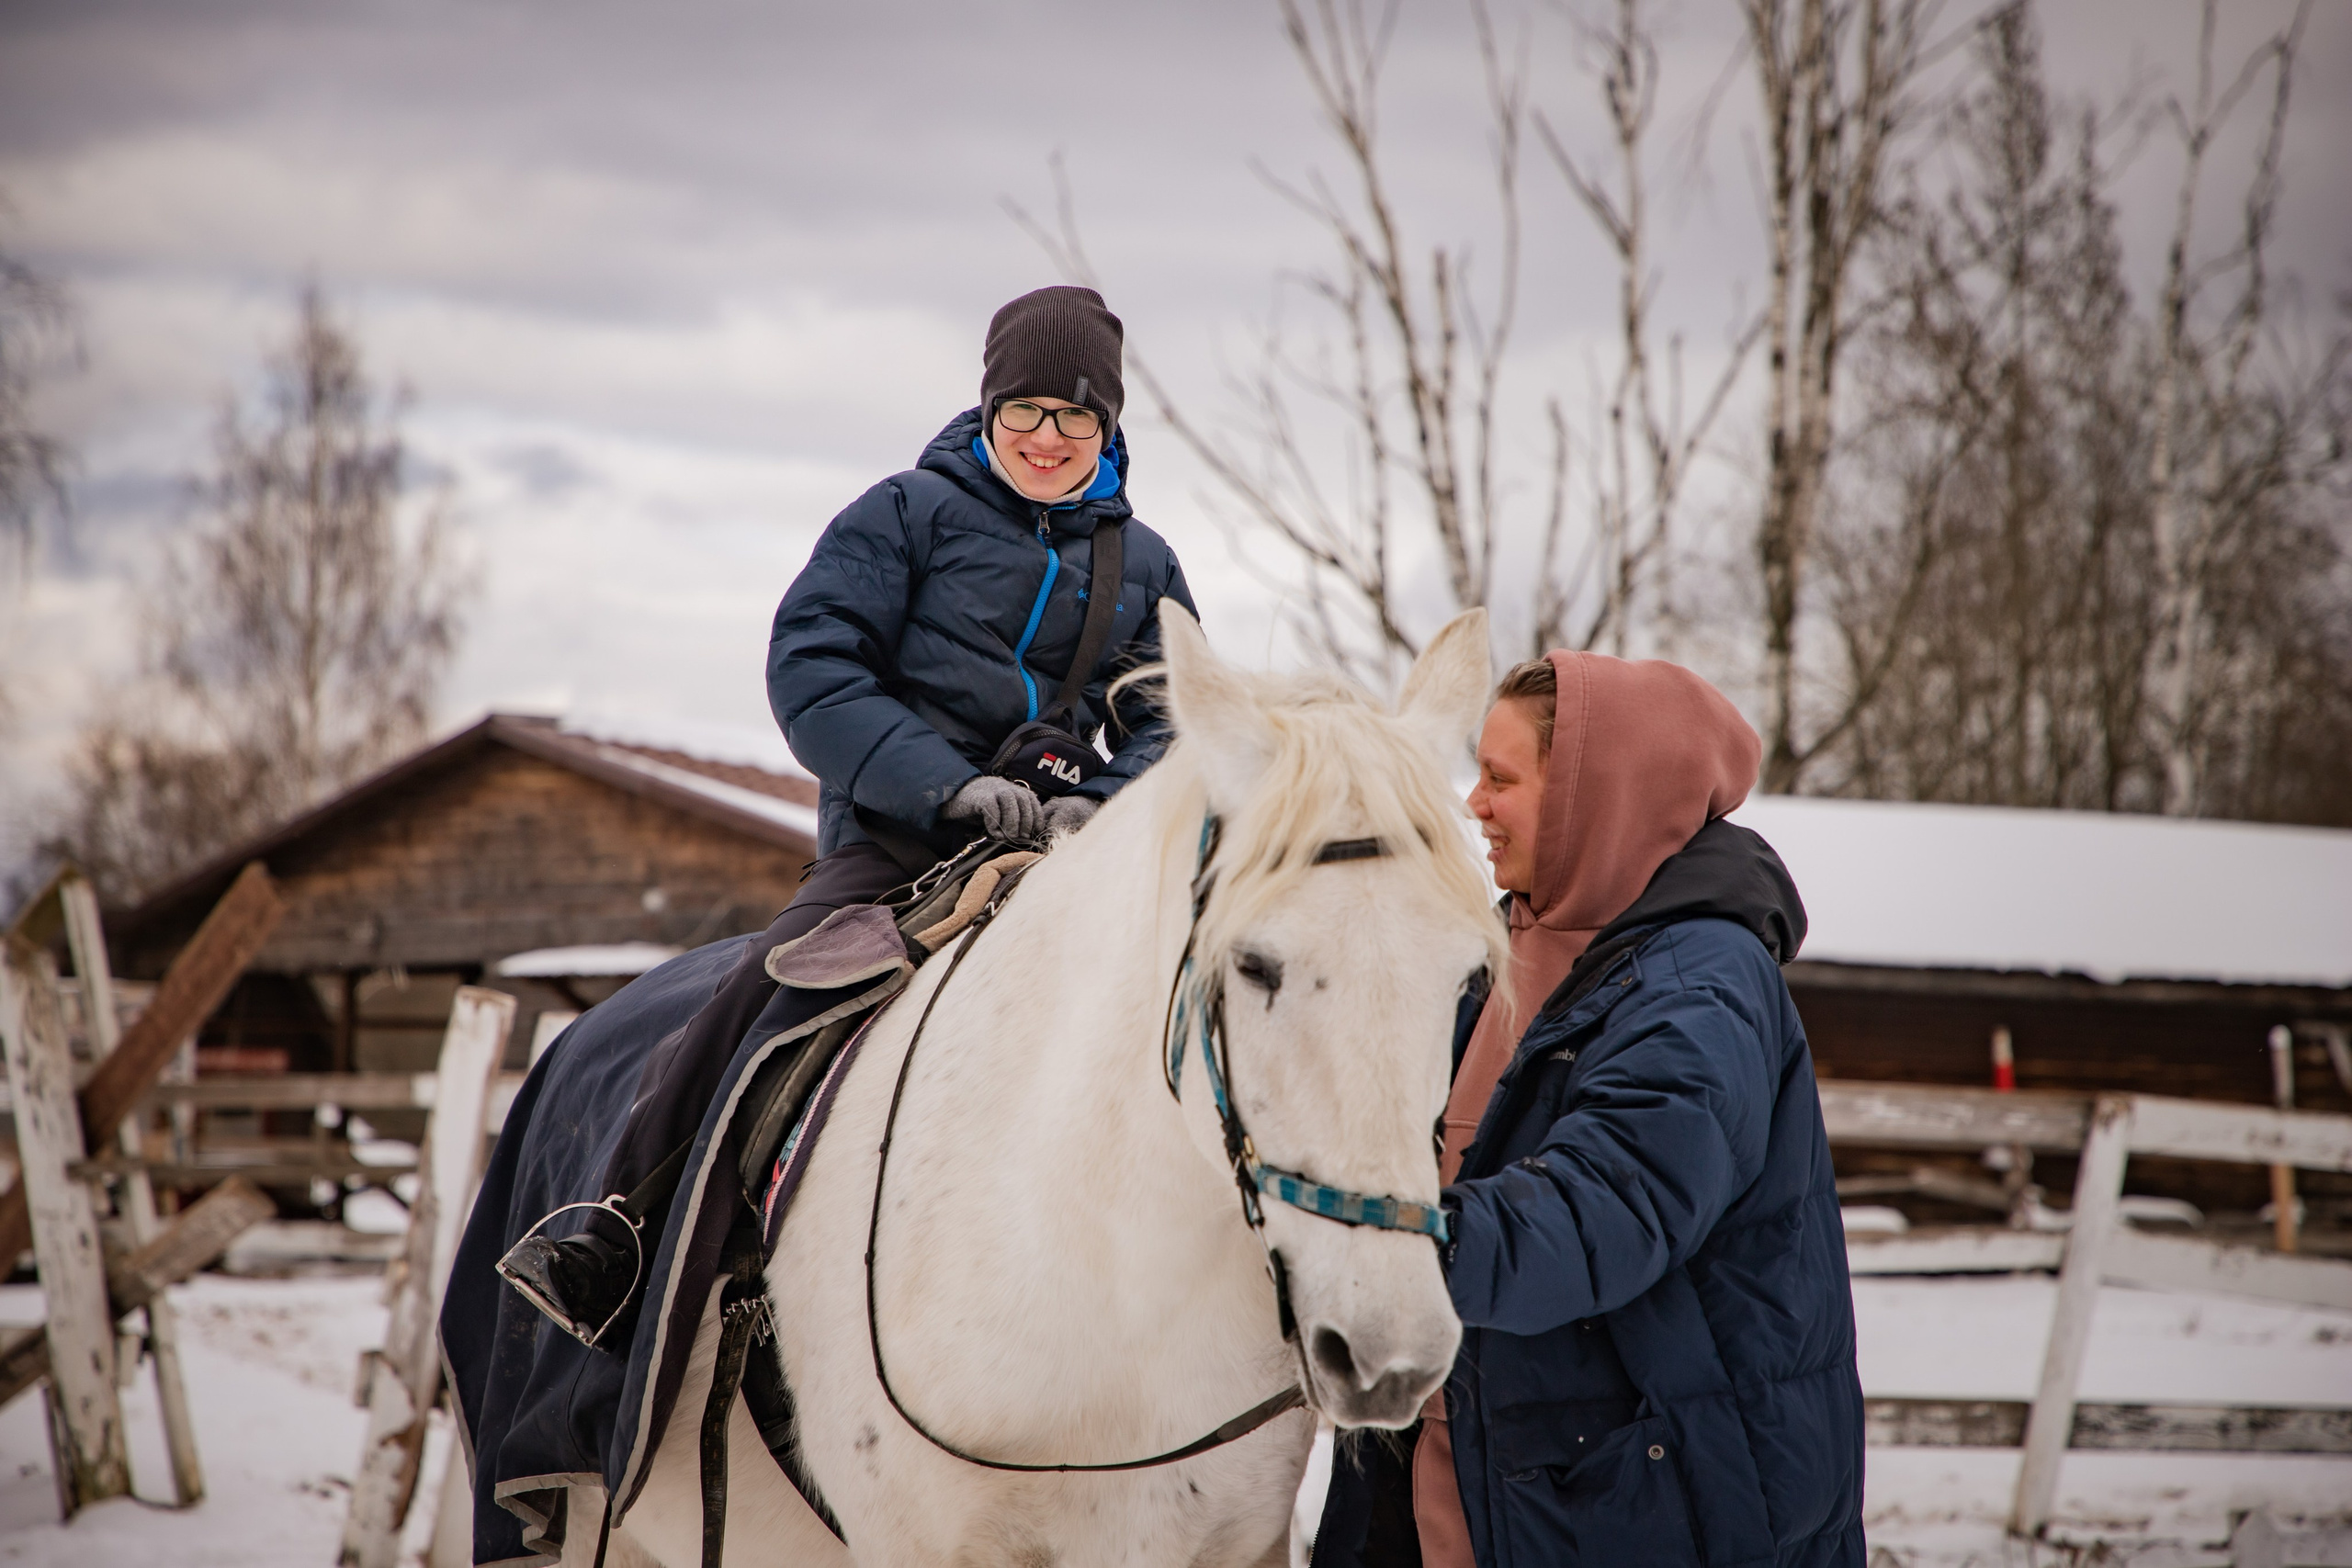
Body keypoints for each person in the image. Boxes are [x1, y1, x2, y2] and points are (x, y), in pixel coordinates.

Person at [502, 285, 1195, 1344]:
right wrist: (945, 785)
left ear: (1107, 427)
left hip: (1064, 851)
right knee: (768, 991)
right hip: (899, 840)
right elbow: (814, 668)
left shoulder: (1144, 562)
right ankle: (616, 1228)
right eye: (1025, 410)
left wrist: (1096, 809)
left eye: (1075, 416)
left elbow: (1174, 714)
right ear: (990, 409)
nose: (1047, 437)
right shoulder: (902, 515)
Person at [1312, 651, 1864, 1568]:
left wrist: (1389, 1244)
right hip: (1479, 1473)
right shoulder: (1494, 952)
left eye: (1501, 779)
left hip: (1650, 1504)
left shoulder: (1702, 983)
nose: (1473, 804)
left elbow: (1611, 1204)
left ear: (1593, 794)